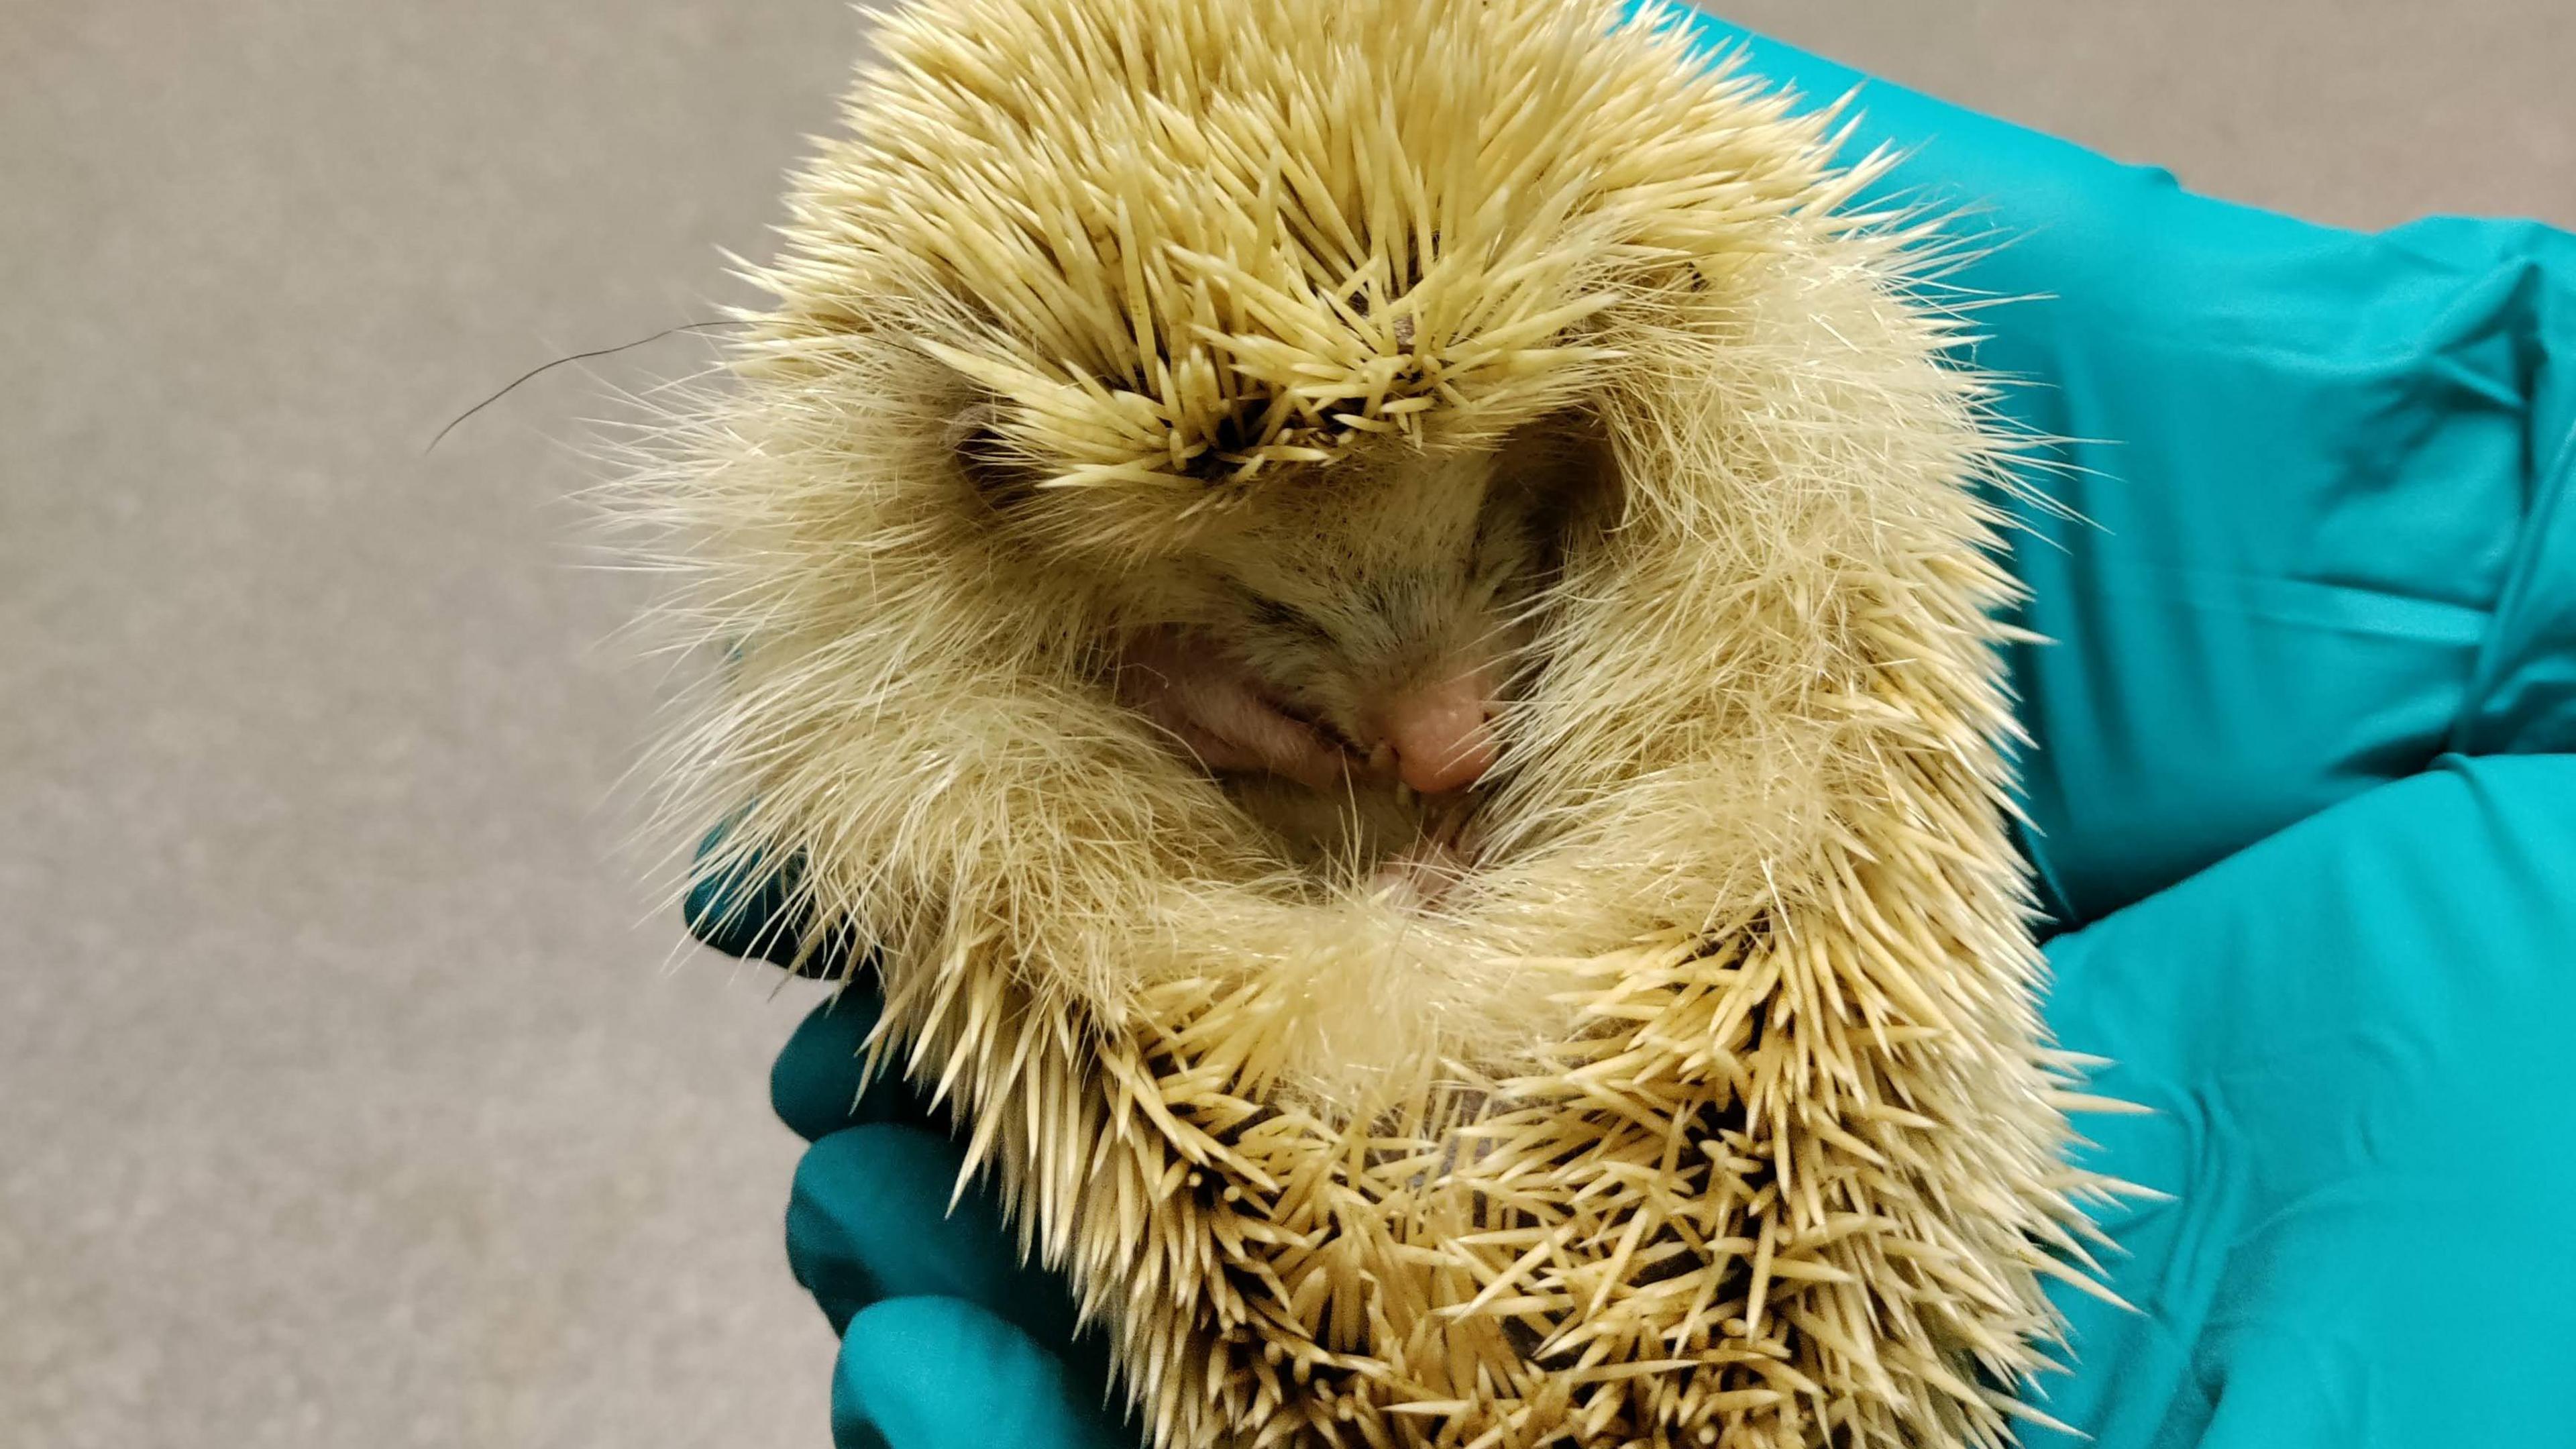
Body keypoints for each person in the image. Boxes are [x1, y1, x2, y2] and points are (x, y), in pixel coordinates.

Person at [692, 7, 2576, 1445]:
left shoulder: (1684, 312)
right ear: (996, 476)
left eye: (1507, 537)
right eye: (1278, 615)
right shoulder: (946, 514)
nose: (1444, 745)